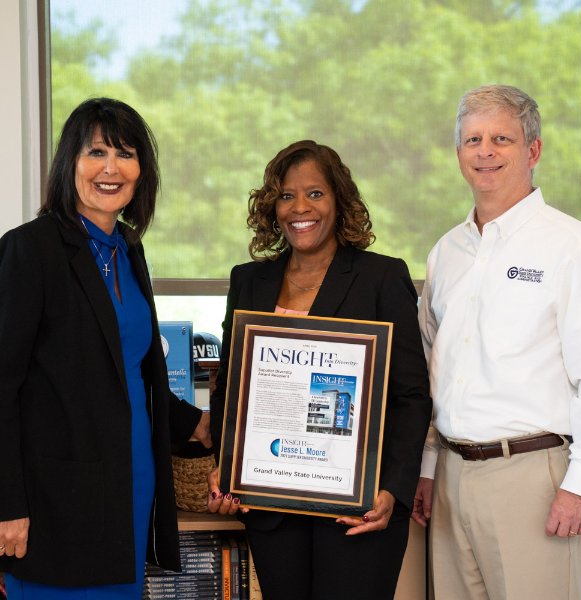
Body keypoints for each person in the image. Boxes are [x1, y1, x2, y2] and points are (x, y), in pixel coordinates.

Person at [0, 97, 212, 598]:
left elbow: (128, 368)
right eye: (96, 153)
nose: (111, 168)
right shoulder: (30, 248)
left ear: (143, 170)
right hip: (54, 498)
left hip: (130, 482)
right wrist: (7, 504)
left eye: (126, 154)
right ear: (68, 163)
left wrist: (197, 423)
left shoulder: (129, 248)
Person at [207, 140, 431, 600]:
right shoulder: (248, 281)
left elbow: (411, 397)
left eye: (315, 193)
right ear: (272, 207)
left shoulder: (381, 278)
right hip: (271, 508)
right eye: (286, 196)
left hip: (358, 508)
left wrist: (391, 489)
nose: (299, 208)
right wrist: (226, 469)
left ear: (339, 201)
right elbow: (231, 386)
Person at [413, 84, 581, 599]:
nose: (485, 152)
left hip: (536, 479)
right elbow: (432, 368)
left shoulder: (575, 247)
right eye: (472, 139)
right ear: (458, 154)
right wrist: (428, 468)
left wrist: (580, 485)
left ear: (533, 150)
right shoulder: (445, 252)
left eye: (502, 138)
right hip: (451, 478)